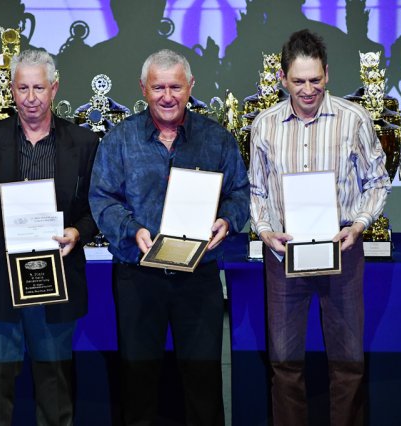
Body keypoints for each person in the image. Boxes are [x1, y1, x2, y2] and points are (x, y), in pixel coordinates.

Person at [89, 49, 249, 426]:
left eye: (175, 87)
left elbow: (240, 193)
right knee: (138, 383)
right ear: (143, 89)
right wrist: (132, 230)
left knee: (203, 385)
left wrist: (227, 221)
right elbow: (102, 197)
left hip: (199, 277)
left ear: (190, 87)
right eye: (158, 87)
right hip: (138, 275)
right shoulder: (120, 139)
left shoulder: (217, 139)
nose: (167, 96)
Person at [249, 29, 391, 426]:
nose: (308, 89)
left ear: (327, 74)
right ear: (283, 78)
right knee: (284, 363)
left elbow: (378, 181)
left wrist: (359, 225)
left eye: (315, 79)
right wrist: (264, 231)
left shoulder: (353, 119)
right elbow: (256, 190)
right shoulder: (264, 125)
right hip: (284, 254)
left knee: (348, 362)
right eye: (299, 81)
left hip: (342, 249)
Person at [0, 49, 100, 426]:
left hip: (56, 283)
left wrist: (77, 231)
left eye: (39, 88)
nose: (31, 97)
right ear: (11, 91)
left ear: (54, 88)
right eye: (22, 88)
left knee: (56, 396)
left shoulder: (84, 143)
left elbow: (97, 209)